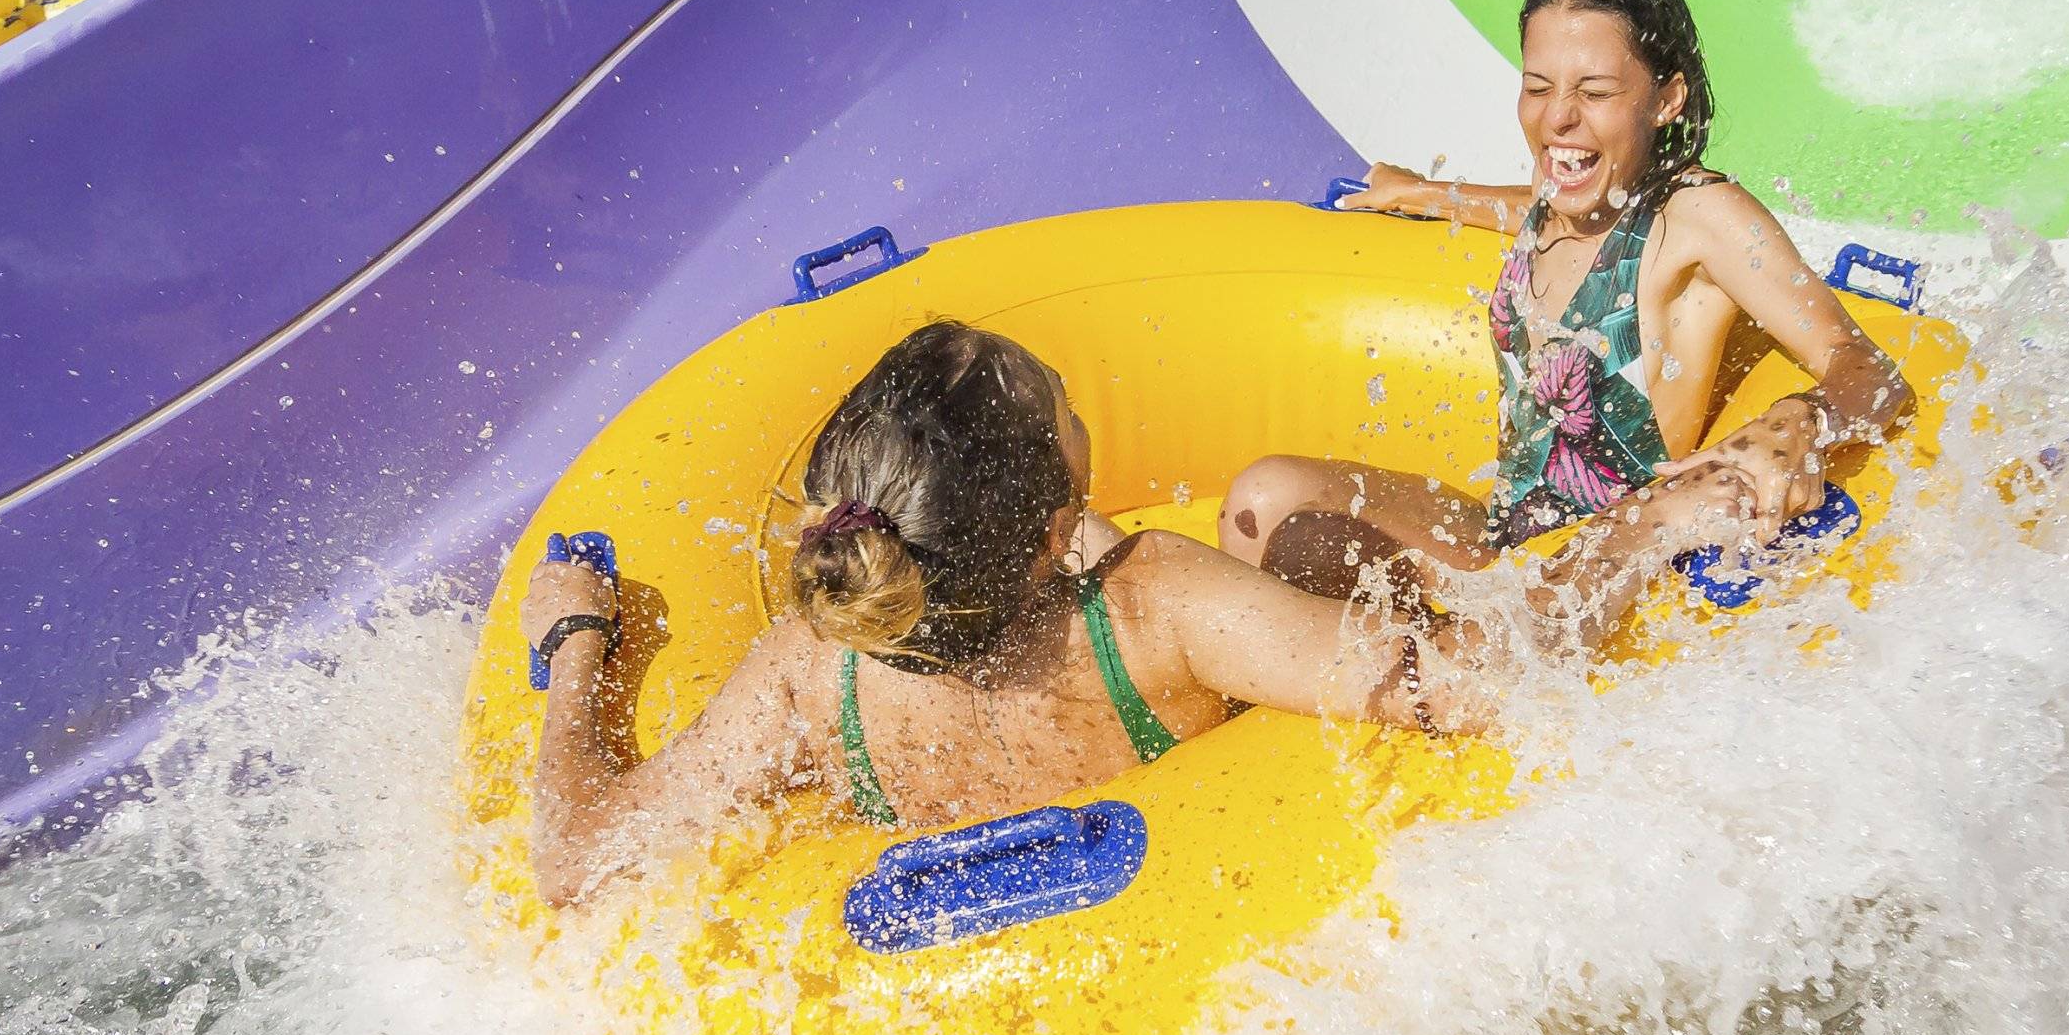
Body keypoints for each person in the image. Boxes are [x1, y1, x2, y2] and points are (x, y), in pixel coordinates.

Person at [517, 320, 1759, 907]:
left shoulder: (810, 665)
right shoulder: (1156, 605)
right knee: (1309, 528)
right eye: (1062, 404)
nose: (1072, 399)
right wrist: (1644, 527)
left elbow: (576, 860)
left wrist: (582, 654)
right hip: (1220, 946)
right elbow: (1492, 681)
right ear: (1053, 525)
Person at [1221, 0, 1914, 592]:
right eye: (1538, 86)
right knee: (1265, 495)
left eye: (1596, 91)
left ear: (1666, 99)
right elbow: (1533, 208)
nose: (1558, 118)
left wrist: (1795, 425)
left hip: (1603, 566)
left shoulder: (1699, 216)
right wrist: (1427, 194)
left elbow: (1867, 369)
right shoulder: (1567, 198)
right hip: (1506, 541)